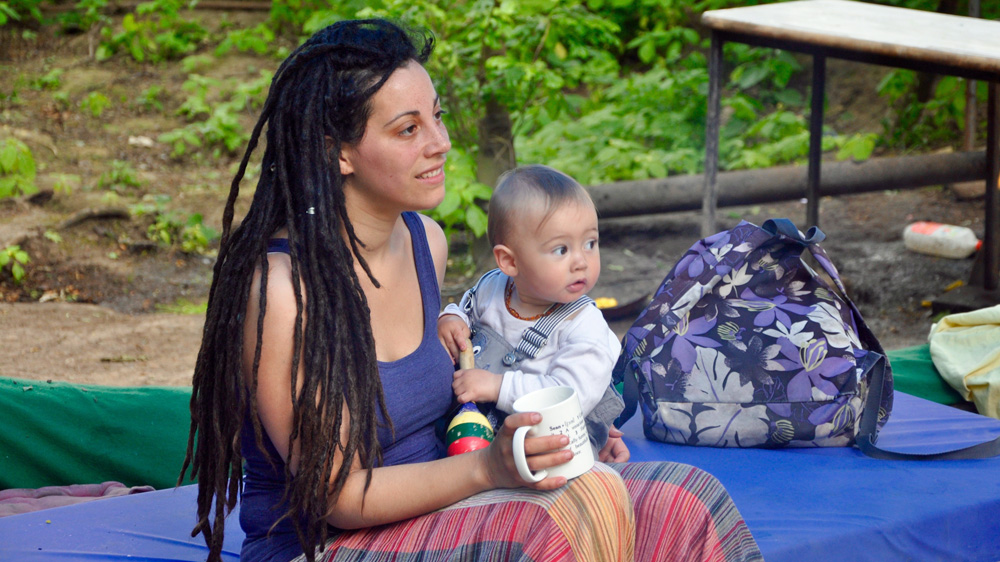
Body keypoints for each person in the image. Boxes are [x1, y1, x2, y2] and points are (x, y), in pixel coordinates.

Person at [181, 18, 763, 562]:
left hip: (446, 504)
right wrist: (490, 469)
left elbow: (462, 390)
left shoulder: (424, 242)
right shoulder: (284, 292)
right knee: (576, 509)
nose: (440, 143)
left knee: (685, 499)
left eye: (435, 117)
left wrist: (563, 438)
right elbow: (341, 497)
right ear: (339, 151)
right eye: (408, 129)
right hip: (326, 545)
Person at [437, 165, 623, 454]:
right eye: (561, 250)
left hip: (553, 441)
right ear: (510, 262)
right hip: (481, 427)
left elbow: (570, 399)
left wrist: (497, 387)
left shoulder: (584, 325)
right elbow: (467, 312)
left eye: (590, 243)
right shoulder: (492, 288)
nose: (581, 262)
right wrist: (452, 317)